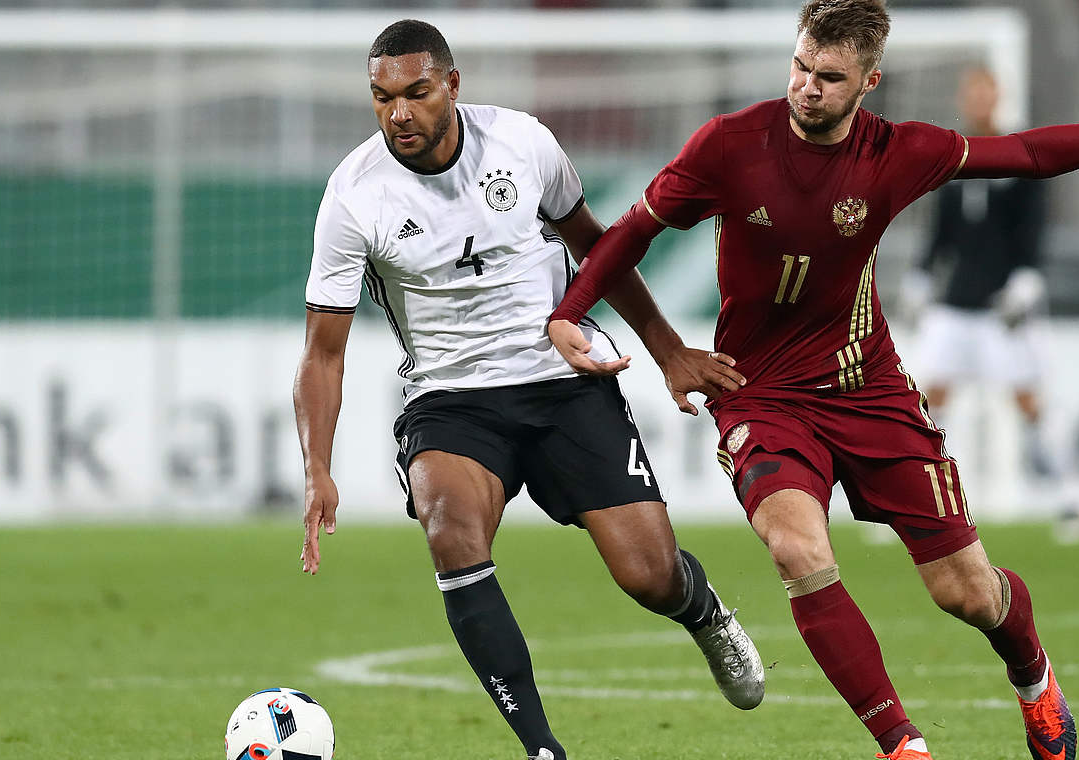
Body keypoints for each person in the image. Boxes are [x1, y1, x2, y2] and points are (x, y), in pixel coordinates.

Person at [547, 2, 1079, 758]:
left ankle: (1034, 676)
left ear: (869, 81)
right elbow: (630, 234)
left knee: (968, 594)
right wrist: (573, 315)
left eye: (829, 77)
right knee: (795, 550)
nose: (807, 88)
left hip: (868, 390)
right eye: (800, 67)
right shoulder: (729, 145)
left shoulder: (900, 152)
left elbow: (1028, 154)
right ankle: (902, 745)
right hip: (760, 394)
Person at [293, 19, 765, 760]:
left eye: (416, 92)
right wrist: (317, 466)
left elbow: (596, 245)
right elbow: (324, 353)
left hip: (561, 382)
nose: (399, 114)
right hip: (450, 401)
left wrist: (668, 349)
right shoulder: (354, 196)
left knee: (649, 576)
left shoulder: (524, 143)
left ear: (453, 84)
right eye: (382, 98)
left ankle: (701, 611)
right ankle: (542, 749)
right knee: (449, 529)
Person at [901, 64, 1079, 543]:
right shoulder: (951, 161)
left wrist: (1026, 282)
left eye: (987, 92)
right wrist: (921, 278)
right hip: (956, 305)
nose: (979, 100)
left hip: (1002, 308)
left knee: (1029, 402)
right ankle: (913, 505)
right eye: (973, 92)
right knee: (925, 403)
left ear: (998, 97)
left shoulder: (1017, 159)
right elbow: (940, 235)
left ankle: (1072, 495)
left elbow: (1032, 231)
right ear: (966, 98)